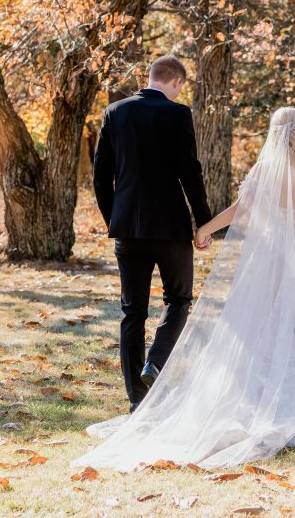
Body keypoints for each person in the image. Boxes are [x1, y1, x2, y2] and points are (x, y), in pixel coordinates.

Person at [76, 106, 295, 470]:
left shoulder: (264, 169)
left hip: (267, 259)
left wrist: (205, 229)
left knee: (264, 326)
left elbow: (240, 210)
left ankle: (263, 394)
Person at [92, 54, 214, 413]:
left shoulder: (114, 112)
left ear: (151, 77)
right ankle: (155, 362)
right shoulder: (177, 114)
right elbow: (190, 172)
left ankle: (136, 399)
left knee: (132, 312)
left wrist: (113, 218)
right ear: (175, 81)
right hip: (170, 227)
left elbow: (101, 176)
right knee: (178, 299)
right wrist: (203, 223)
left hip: (127, 228)